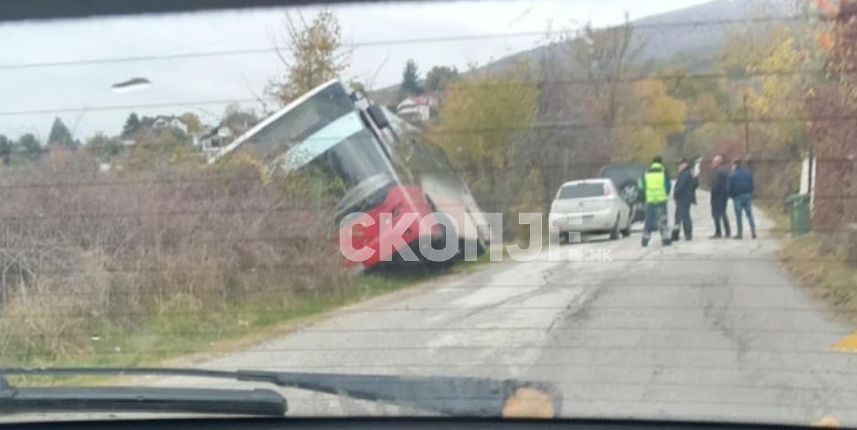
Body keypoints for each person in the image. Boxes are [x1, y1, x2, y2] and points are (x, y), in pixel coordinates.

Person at [638, 156, 672, 247]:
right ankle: (665, 239)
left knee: (649, 220)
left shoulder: (646, 172)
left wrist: (644, 196)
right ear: (661, 163)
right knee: (662, 219)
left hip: (650, 200)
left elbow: (641, 186)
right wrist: (665, 194)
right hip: (661, 200)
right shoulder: (664, 172)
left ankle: (645, 240)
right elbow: (668, 186)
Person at [728, 159, 757, 239]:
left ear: (735, 166)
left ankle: (740, 233)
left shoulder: (732, 175)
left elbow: (729, 187)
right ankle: (753, 230)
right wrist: (750, 193)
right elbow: (752, 184)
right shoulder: (748, 173)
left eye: (732, 165)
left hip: (737, 197)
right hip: (747, 195)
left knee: (739, 216)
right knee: (749, 214)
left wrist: (731, 196)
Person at [671, 158, 698, 242]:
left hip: (683, 198)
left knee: (682, 217)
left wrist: (676, 193)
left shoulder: (685, 174)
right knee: (682, 216)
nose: (679, 166)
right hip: (685, 198)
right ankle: (685, 234)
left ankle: (682, 234)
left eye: (680, 164)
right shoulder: (686, 173)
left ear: (685, 164)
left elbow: (681, 186)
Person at [709, 155, 731, 239]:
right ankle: (727, 231)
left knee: (716, 214)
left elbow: (715, 183)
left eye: (713, 162)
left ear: (716, 163)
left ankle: (718, 232)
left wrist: (713, 192)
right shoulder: (725, 171)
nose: (712, 163)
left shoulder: (717, 171)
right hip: (724, 195)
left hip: (717, 195)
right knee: (723, 213)